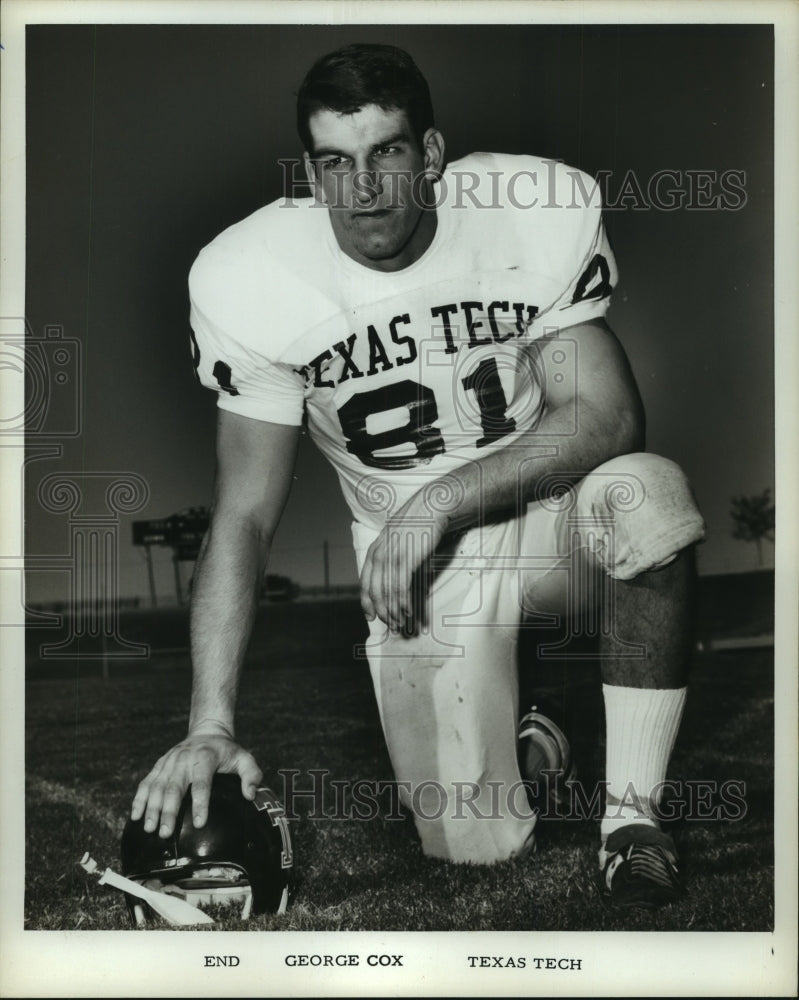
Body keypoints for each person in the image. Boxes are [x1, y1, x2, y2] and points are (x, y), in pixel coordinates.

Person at [131, 43, 706, 908]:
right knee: (470, 846)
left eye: (386, 153)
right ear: (311, 172)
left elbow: (607, 416)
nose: (362, 188)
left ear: (430, 154)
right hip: (416, 572)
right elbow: (243, 514)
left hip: (540, 511)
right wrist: (209, 722)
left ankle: (631, 820)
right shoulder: (248, 277)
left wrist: (438, 501)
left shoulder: (524, 211)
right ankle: (537, 734)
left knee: (646, 495)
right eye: (335, 162)